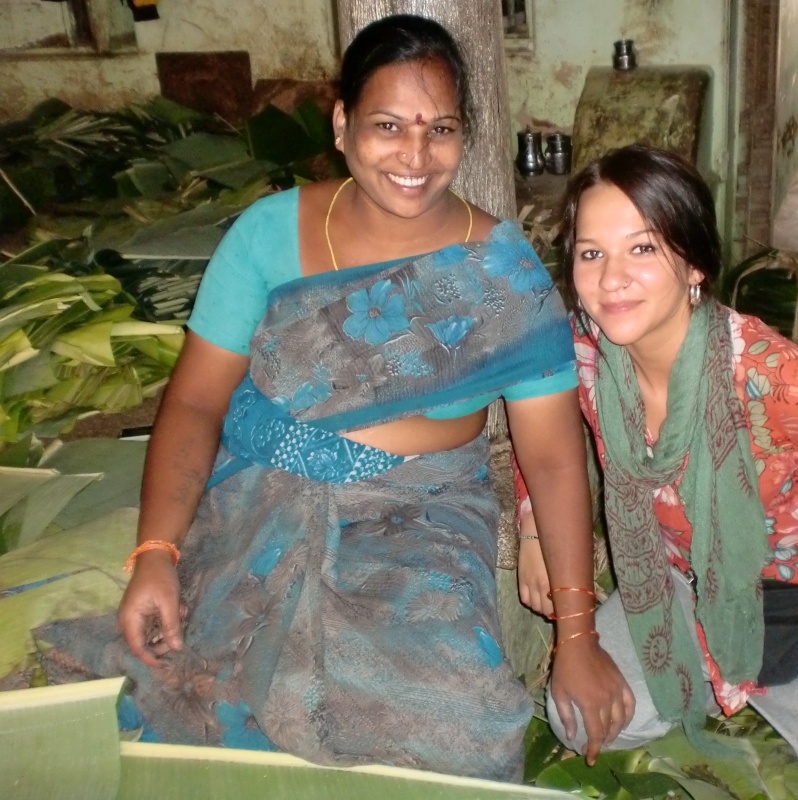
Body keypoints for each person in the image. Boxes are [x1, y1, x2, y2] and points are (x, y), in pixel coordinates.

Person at [38, 14, 629, 782]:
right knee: (195, 684)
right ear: (344, 124)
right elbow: (194, 404)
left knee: (466, 730)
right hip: (261, 494)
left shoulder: (501, 276)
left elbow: (552, 460)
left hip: (421, 514)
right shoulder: (267, 235)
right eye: (388, 126)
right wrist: (156, 554)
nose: (415, 155)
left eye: (440, 129)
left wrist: (577, 638)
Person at [514, 145, 798, 800]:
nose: (612, 279)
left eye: (642, 248)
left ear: (694, 262)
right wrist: (532, 526)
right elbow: (542, 441)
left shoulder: (775, 380)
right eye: (591, 253)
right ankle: (718, 671)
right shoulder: (584, 352)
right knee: (577, 716)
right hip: (674, 584)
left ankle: (757, 676)